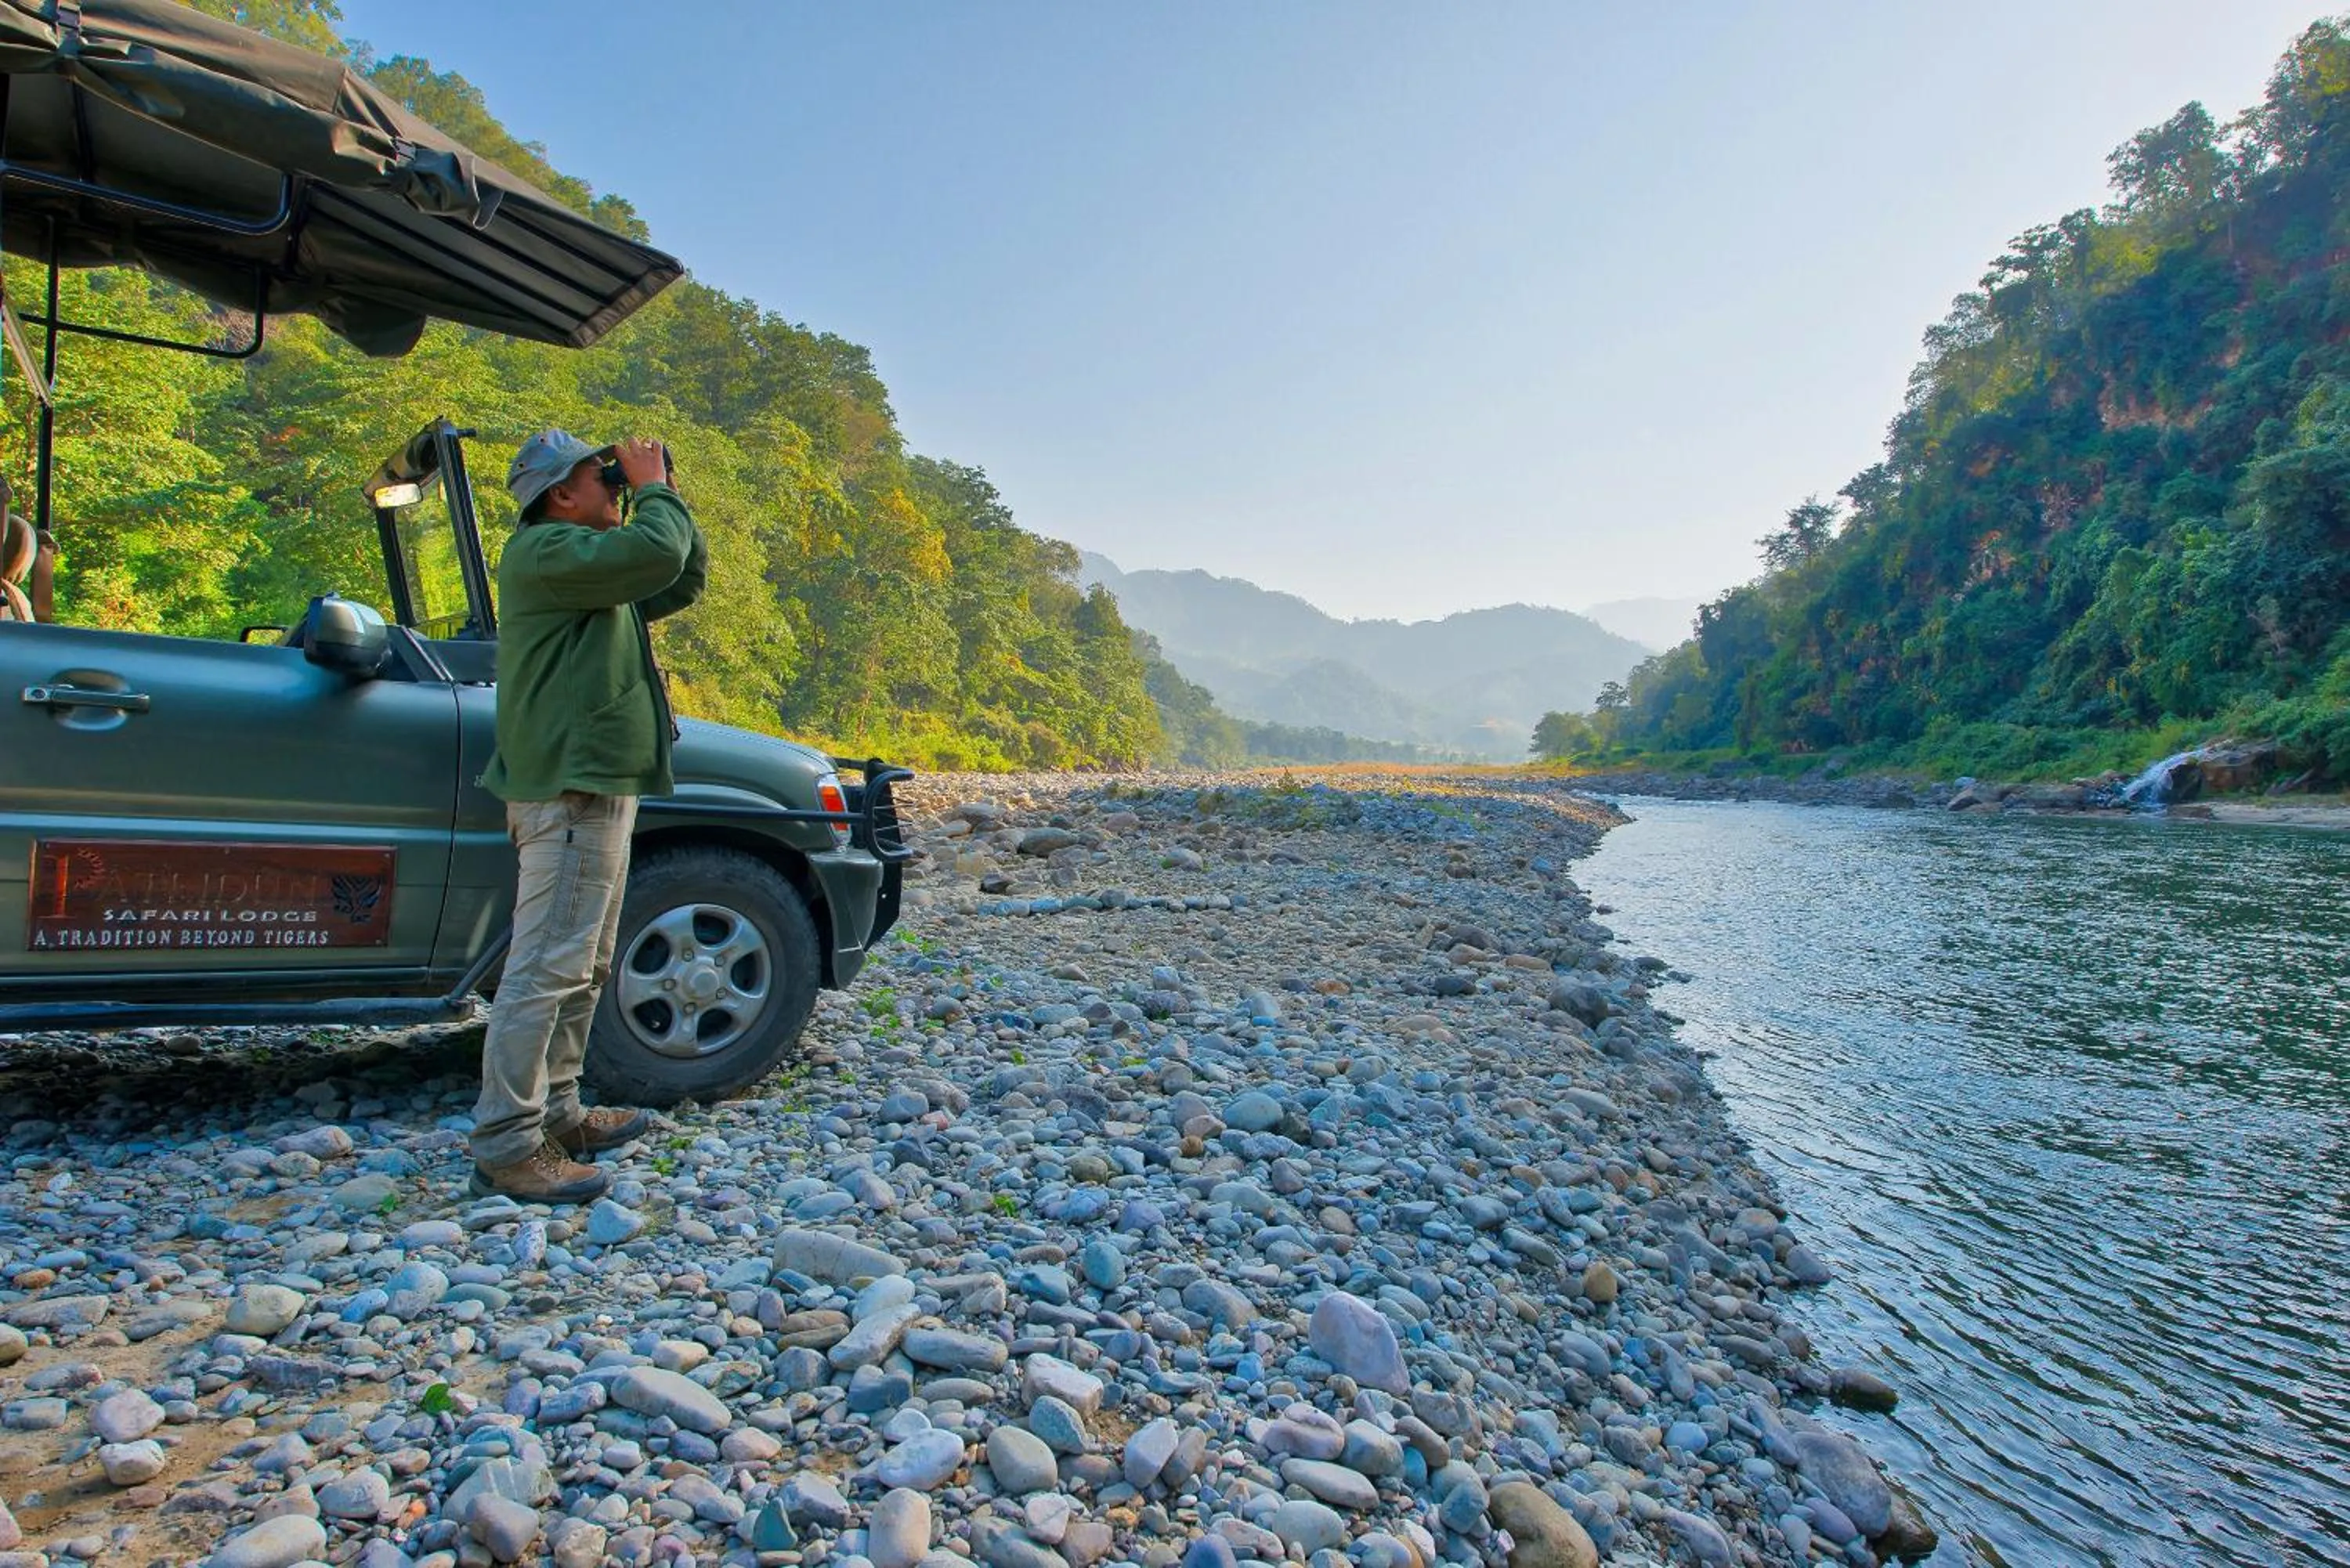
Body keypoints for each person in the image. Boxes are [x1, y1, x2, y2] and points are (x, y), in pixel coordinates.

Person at [469, 431, 708, 1202]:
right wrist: (652, 491)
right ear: (560, 495)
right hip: (569, 792)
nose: (613, 485)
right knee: (543, 970)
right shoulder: (547, 551)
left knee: (584, 964)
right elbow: (655, 555)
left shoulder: (586, 564)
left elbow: (677, 575)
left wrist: (664, 488)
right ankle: (509, 1142)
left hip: (596, 787)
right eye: (598, 477)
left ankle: (563, 1112)